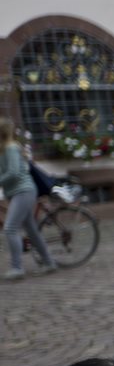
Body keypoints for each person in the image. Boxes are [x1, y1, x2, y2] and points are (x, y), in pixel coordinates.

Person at [0, 116, 55, 281]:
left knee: (10, 228)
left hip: (23, 191)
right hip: (16, 193)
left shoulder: (10, 148)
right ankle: (49, 262)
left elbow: (14, 173)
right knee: (31, 230)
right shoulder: (3, 149)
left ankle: (17, 268)